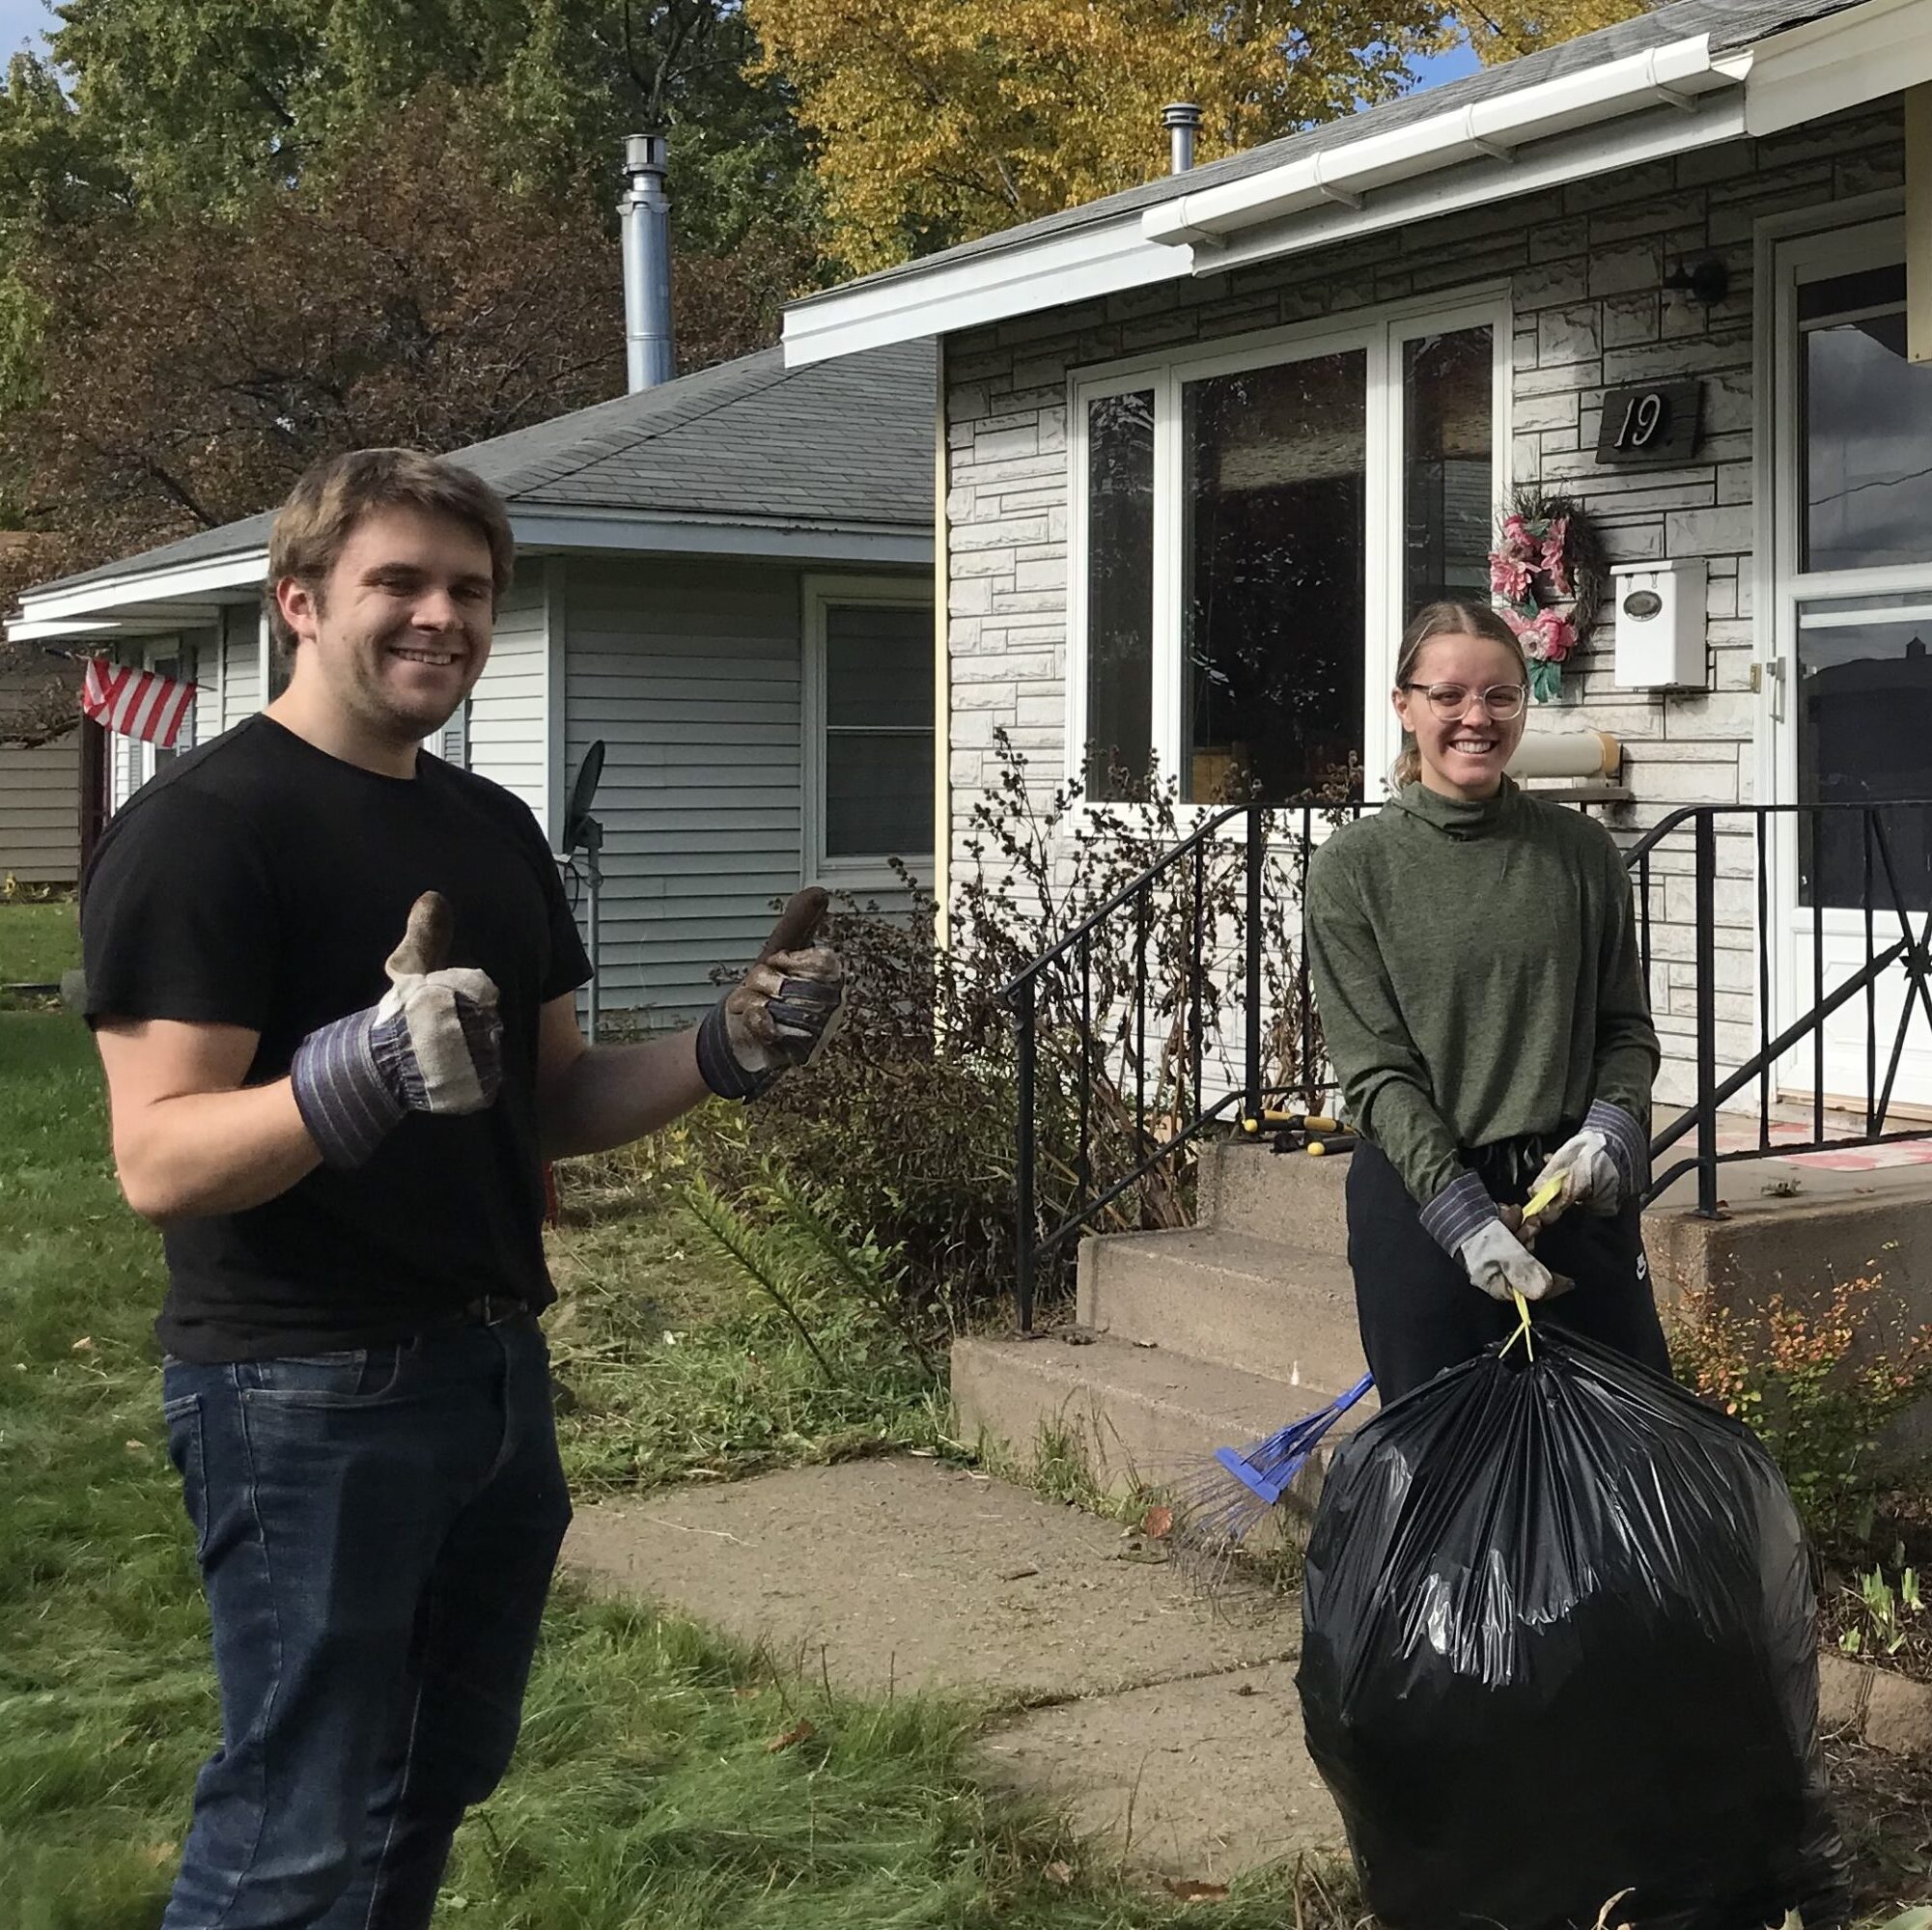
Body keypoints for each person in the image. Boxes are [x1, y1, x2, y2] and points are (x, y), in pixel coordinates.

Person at [80, 447, 845, 1929]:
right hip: (302, 1390)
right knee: (298, 1815)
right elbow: (155, 1156)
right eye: (401, 583)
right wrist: (347, 1073)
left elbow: (551, 1098)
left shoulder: (485, 826)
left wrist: (725, 1043)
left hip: (491, 1367)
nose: (443, 615)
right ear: (299, 601)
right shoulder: (209, 827)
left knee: (431, 1773)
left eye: (471, 590)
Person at [1303, 599, 1670, 1404]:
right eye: (1448, 696)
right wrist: (1459, 1212)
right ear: (1403, 706)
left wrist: (1613, 1124)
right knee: (1449, 1466)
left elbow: (1624, 1029)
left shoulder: (1579, 853)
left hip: (1572, 1196)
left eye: (1499, 696)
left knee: (1624, 1454)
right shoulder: (1353, 870)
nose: (1476, 717)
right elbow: (1375, 1074)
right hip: (1424, 1200)